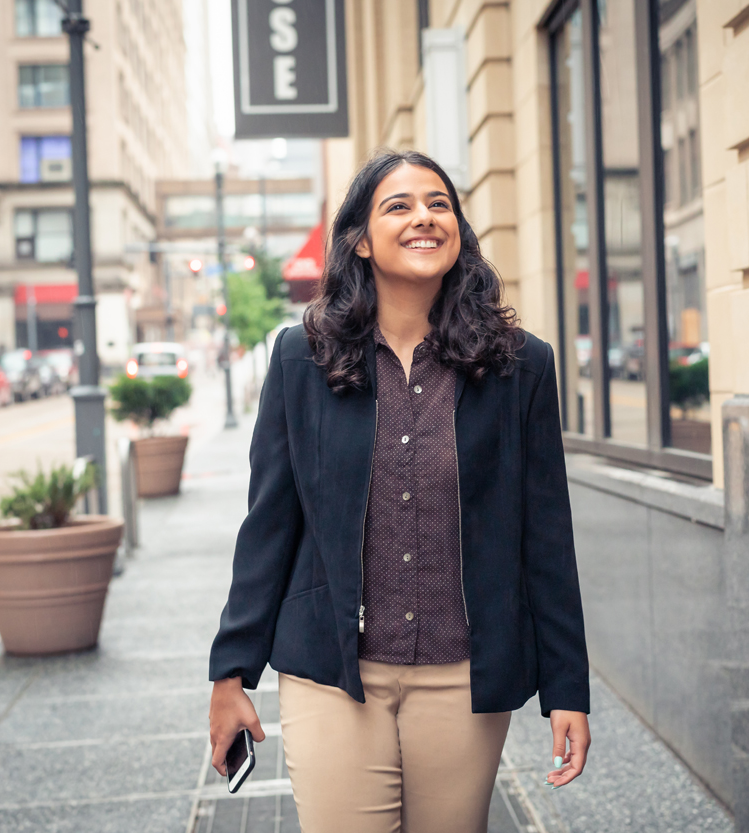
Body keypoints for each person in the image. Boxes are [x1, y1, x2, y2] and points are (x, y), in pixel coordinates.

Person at [208, 149, 591, 833]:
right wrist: (231, 671)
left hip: (464, 675)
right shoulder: (303, 357)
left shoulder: (520, 366)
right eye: (400, 205)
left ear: (458, 230)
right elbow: (270, 519)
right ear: (360, 237)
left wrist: (567, 688)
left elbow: (547, 536)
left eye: (439, 204)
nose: (424, 217)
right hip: (331, 671)